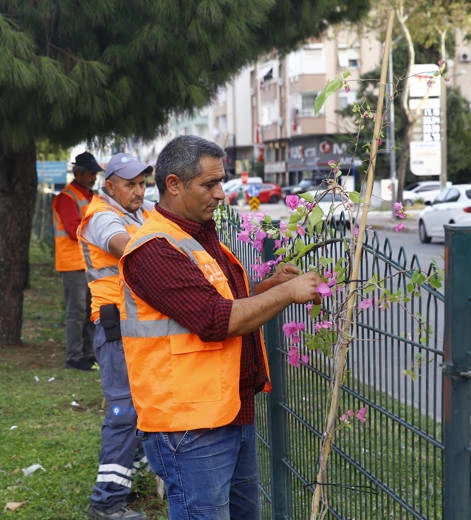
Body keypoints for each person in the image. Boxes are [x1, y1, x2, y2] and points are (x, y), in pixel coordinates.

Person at [119, 135, 323, 519]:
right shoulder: (154, 250)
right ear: (174, 185)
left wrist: (270, 287)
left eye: (221, 182)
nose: (220, 194)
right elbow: (215, 320)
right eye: (209, 184)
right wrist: (287, 294)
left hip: (226, 411)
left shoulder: (198, 235)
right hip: (190, 425)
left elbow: (221, 303)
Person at [78, 153, 154, 520]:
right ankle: (106, 502)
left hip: (137, 327)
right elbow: (126, 247)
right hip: (116, 328)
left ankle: (129, 477)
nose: (139, 191)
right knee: (124, 412)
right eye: (130, 184)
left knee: (142, 407)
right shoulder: (102, 217)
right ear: (110, 186)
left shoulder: (139, 210)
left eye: (142, 183)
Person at [52, 151, 103, 371]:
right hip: (72, 264)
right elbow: (75, 231)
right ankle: (74, 356)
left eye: (95, 174)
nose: (94, 177)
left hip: (89, 263)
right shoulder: (66, 197)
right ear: (78, 173)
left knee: (90, 311)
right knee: (77, 311)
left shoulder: (91, 196)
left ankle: (89, 353)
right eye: (90, 173)